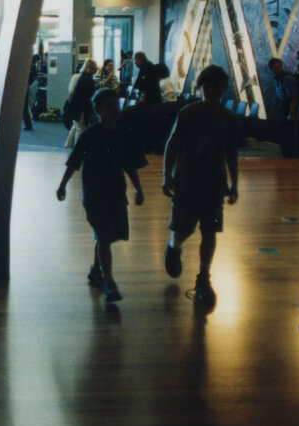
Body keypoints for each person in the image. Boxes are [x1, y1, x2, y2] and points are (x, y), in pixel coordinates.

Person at [161, 64, 244, 309]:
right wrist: (167, 176)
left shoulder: (229, 118)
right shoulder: (188, 113)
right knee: (182, 229)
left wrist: (234, 183)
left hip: (214, 183)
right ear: (201, 87)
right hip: (186, 180)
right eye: (207, 86)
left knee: (210, 231)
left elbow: (232, 153)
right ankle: (173, 247)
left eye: (216, 86)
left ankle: (203, 277)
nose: (211, 91)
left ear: (224, 89)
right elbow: (172, 145)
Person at [56, 88, 146, 303]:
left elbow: (130, 165)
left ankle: (96, 270)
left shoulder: (126, 134)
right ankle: (109, 282)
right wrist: (62, 186)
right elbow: (74, 163)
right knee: (104, 236)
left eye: (116, 104)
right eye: (110, 105)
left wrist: (137, 188)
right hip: (95, 195)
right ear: (98, 109)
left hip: (115, 193)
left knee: (106, 236)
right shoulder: (90, 135)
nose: (115, 109)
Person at [266, 57, 298, 157]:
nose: (278, 69)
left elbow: (293, 97)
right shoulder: (277, 80)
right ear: (272, 70)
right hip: (283, 109)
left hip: (288, 109)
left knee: (288, 135)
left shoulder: (287, 78)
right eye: (275, 68)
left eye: (279, 66)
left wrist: (292, 114)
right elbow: (278, 98)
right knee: (283, 135)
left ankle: (290, 156)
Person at [64, 59, 98, 146]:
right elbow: (88, 95)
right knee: (80, 128)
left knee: (76, 126)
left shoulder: (82, 77)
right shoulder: (88, 79)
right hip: (81, 107)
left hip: (76, 106)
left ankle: (68, 144)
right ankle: (78, 146)